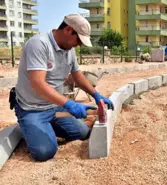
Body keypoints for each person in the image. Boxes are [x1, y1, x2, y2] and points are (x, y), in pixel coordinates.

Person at [11, 13, 114, 162]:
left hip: (56, 109)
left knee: (83, 132)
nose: (78, 45)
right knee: (45, 152)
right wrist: (69, 103)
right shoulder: (39, 44)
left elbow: (78, 76)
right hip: (32, 109)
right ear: (68, 30)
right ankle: (32, 125)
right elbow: (37, 84)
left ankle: (44, 127)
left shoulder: (69, 50)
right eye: (78, 39)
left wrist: (96, 95)